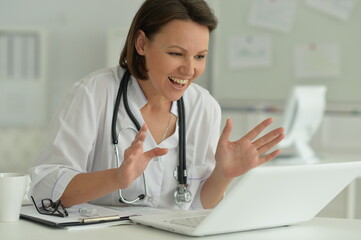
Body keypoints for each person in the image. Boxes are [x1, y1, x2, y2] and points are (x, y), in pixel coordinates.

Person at [29, 0, 284, 210]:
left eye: (199, 57)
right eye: (176, 53)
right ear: (141, 44)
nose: (189, 69)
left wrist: (223, 175)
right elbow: (44, 188)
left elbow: (195, 208)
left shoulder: (204, 107)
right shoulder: (94, 94)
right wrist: (116, 178)